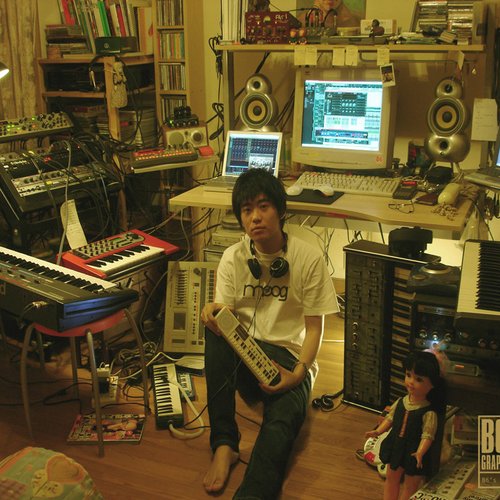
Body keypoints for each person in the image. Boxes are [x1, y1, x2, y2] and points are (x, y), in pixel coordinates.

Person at [201, 168, 338, 499]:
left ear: (281, 210)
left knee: (280, 427)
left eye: (263, 206)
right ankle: (224, 444)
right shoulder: (233, 258)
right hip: (246, 352)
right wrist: (213, 313)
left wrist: (299, 373)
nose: (255, 217)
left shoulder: (308, 257)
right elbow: (225, 318)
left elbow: (314, 327)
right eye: (247, 210)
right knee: (215, 334)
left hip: (289, 361)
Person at [365, 351, 446, 500]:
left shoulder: (429, 413)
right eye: (408, 375)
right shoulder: (401, 402)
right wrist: (378, 431)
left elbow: (427, 435)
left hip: (414, 453)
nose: (411, 382)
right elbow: (390, 419)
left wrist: (420, 452)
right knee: (391, 479)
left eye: (419, 379)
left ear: (432, 384)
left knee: (411, 485)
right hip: (396, 446)